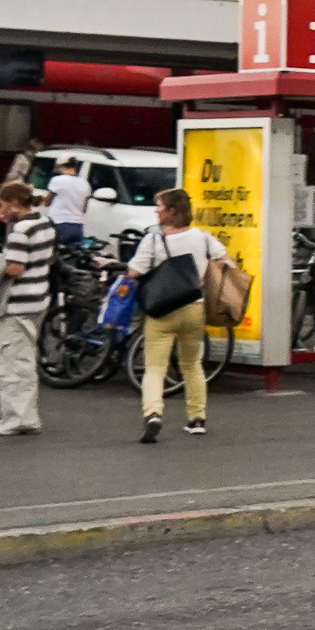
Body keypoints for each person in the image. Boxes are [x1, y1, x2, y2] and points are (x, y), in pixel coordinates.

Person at [126, 188, 234, 442]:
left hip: (161, 311)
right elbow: (227, 263)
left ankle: (153, 413)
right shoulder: (203, 237)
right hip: (193, 308)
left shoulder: (152, 240)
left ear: (172, 211)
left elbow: (134, 271)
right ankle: (197, 419)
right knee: (192, 365)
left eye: (160, 207)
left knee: (154, 368)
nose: (156, 211)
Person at [0, 181, 53, 435]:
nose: (0, 212)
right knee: (25, 360)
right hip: (39, 300)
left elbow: (15, 268)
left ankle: (15, 419)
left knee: (10, 363)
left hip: (17, 304)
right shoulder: (44, 224)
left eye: (2, 206)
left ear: (15, 203)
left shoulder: (20, 231)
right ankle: (28, 416)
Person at [44, 157, 91, 245]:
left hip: (58, 223)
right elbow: (84, 209)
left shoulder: (57, 180)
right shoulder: (85, 183)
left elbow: (47, 202)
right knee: (73, 255)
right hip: (77, 226)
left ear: (61, 166)